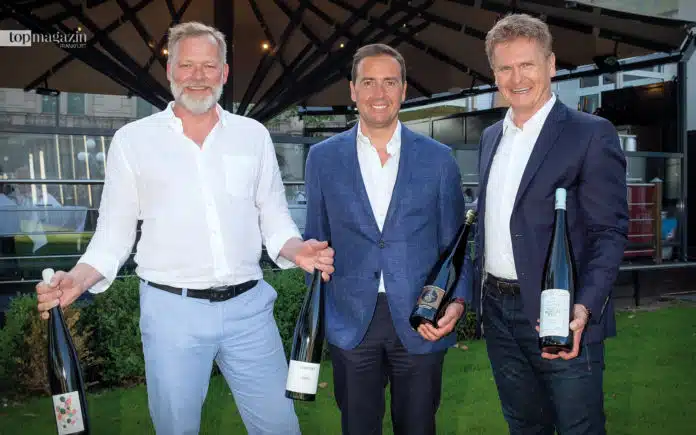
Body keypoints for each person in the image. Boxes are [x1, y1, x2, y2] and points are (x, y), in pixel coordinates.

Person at [35, 21, 335, 435]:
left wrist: (298, 249)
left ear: (224, 72)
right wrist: (79, 279)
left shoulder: (253, 136)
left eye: (209, 66)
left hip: (250, 311)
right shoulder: (133, 141)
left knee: (281, 427)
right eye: (187, 65)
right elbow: (112, 237)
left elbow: (275, 219)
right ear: (170, 70)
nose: (198, 76)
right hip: (171, 314)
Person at [303, 43, 472, 435]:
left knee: (418, 427)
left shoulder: (439, 159)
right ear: (353, 90)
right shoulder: (322, 159)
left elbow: (457, 244)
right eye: (368, 82)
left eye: (389, 82)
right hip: (351, 321)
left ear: (404, 89)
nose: (379, 93)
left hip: (421, 317)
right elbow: (315, 239)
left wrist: (458, 301)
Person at [474, 14, 628, 434]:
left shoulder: (590, 134)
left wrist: (585, 306)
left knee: (579, 427)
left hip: (562, 314)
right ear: (495, 74)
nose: (516, 78)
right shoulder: (491, 137)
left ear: (551, 64)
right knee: (524, 426)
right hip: (498, 311)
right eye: (505, 68)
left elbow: (609, 232)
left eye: (527, 64)